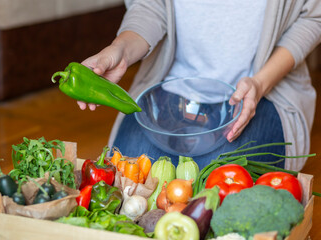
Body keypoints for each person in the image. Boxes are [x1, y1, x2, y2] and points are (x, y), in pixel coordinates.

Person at [78, 0, 321, 171]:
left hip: (261, 93)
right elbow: (151, 7)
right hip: (168, 89)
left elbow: (313, 16)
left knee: (210, 186)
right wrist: (119, 50)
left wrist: (260, 83)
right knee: (129, 180)